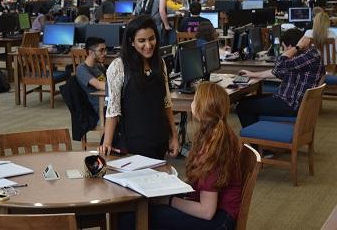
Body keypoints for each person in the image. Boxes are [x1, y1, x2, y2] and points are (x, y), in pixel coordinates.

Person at [118, 82, 241, 230]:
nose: (192, 102)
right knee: (141, 211)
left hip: (217, 221)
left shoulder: (213, 150)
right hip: (213, 208)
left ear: (202, 108)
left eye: (195, 99)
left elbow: (207, 212)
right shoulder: (218, 134)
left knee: (134, 218)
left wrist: (168, 201)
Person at [98, 15, 179, 160]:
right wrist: (107, 143)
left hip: (158, 140)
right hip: (132, 144)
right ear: (131, 42)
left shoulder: (160, 63)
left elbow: (166, 103)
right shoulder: (118, 66)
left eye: (151, 38)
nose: (148, 45)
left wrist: (174, 136)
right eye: (142, 40)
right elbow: (113, 110)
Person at [236, 28, 325, 128]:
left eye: (284, 48)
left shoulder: (307, 57)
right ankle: (259, 136)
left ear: (291, 46)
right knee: (245, 101)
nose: (284, 51)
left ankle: (255, 141)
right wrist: (253, 74)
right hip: (288, 99)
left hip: (290, 104)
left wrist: (296, 47)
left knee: (242, 107)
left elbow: (280, 63)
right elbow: (278, 71)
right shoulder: (306, 55)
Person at [76, 37, 107, 114]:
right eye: (101, 50)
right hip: (100, 107)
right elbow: (99, 85)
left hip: (107, 101)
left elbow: (110, 80)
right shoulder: (81, 69)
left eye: (105, 50)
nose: (105, 53)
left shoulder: (98, 66)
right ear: (90, 52)